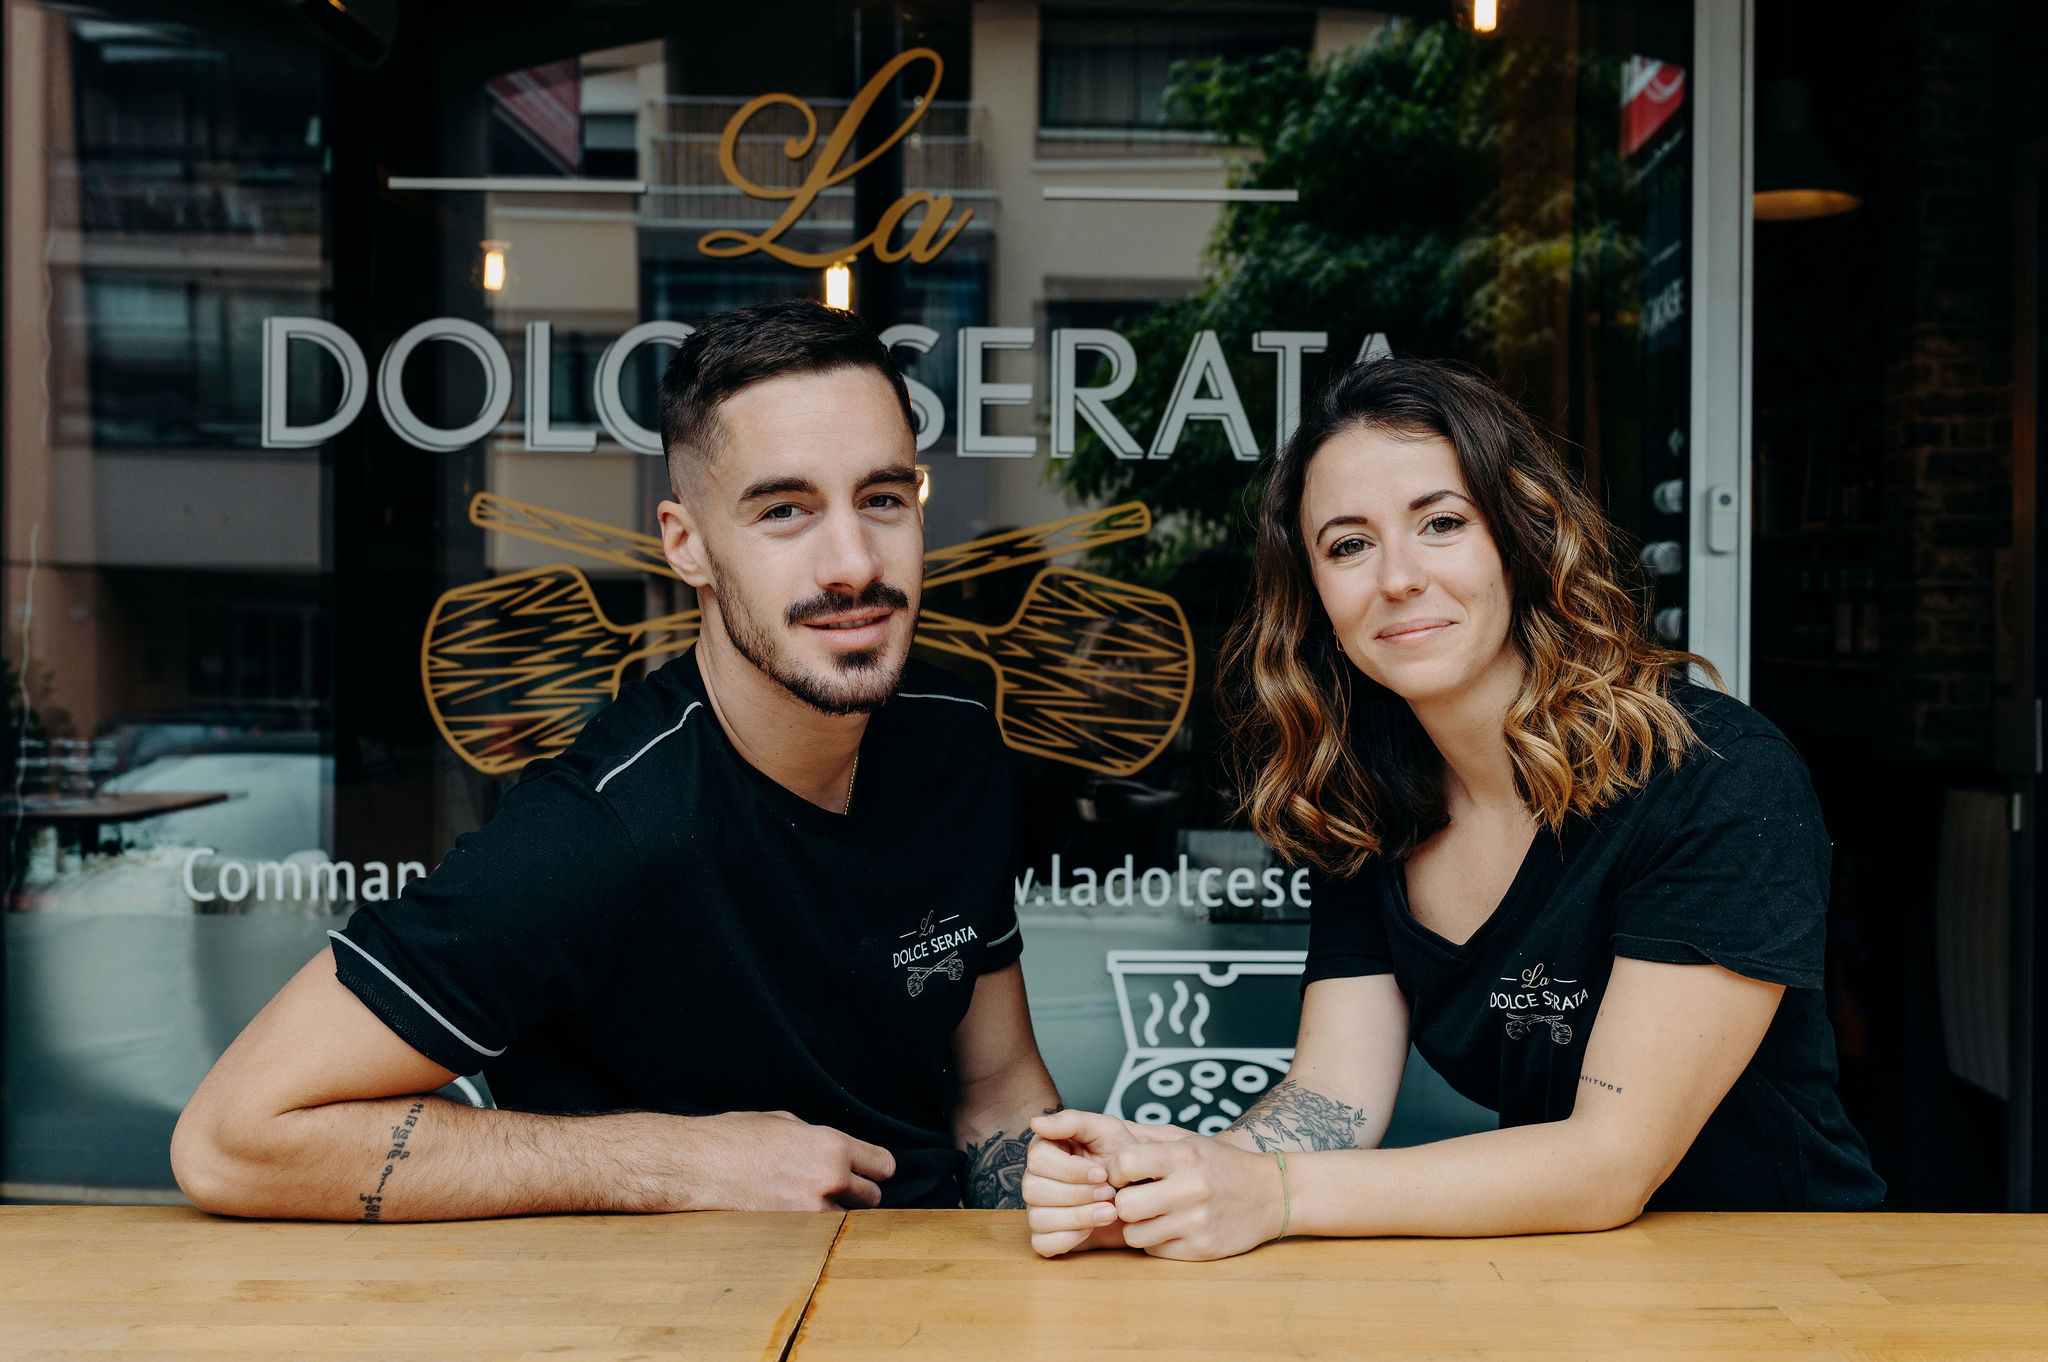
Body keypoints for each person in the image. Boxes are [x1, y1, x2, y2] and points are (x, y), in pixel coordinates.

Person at [172, 298, 1058, 1220]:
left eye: (881, 499)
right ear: (688, 544)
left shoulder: (954, 742)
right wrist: (674, 1164)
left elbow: (997, 1097)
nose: (853, 563)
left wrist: (1073, 1192)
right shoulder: (604, 825)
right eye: (785, 510)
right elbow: (233, 1137)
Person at [1024, 356, 1883, 1260]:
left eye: (1441, 523)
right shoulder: (1369, 793)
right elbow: (1333, 1096)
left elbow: (1607, 1164)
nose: (1398, 577)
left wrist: (1270, 1194)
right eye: (1348, 544)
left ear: (1520, 538)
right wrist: (1170, 1178)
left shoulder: (1712, 775)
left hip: (1785, 1290)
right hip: (1568, 1285)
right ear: (1314, 593)